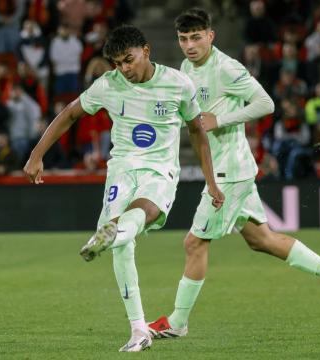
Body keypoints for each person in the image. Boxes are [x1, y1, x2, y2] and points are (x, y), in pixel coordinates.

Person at [147, 8, 320, 340]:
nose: (189, 45)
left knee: (194, 242)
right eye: (183, 39)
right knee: (262, 240)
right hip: (228, 166)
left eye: (196, 37)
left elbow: (265, 103)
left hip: (231, 171)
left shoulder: (227, 68)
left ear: (211, 36)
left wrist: (221, 120)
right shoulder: (186, 67)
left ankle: (177, 323)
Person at [23, 25, 224, 352]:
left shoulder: (177, 84)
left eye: (128, 60)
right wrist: (36, 155)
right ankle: (138, 330)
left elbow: (197, 133)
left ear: (146, 50)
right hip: (121, 169)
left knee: (142, 213)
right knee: (122, 245)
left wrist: (211, 182)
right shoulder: (108, 85)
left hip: (160, 170)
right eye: (117, 63)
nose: (124, 69)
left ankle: (109, 232)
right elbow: (71, 113)